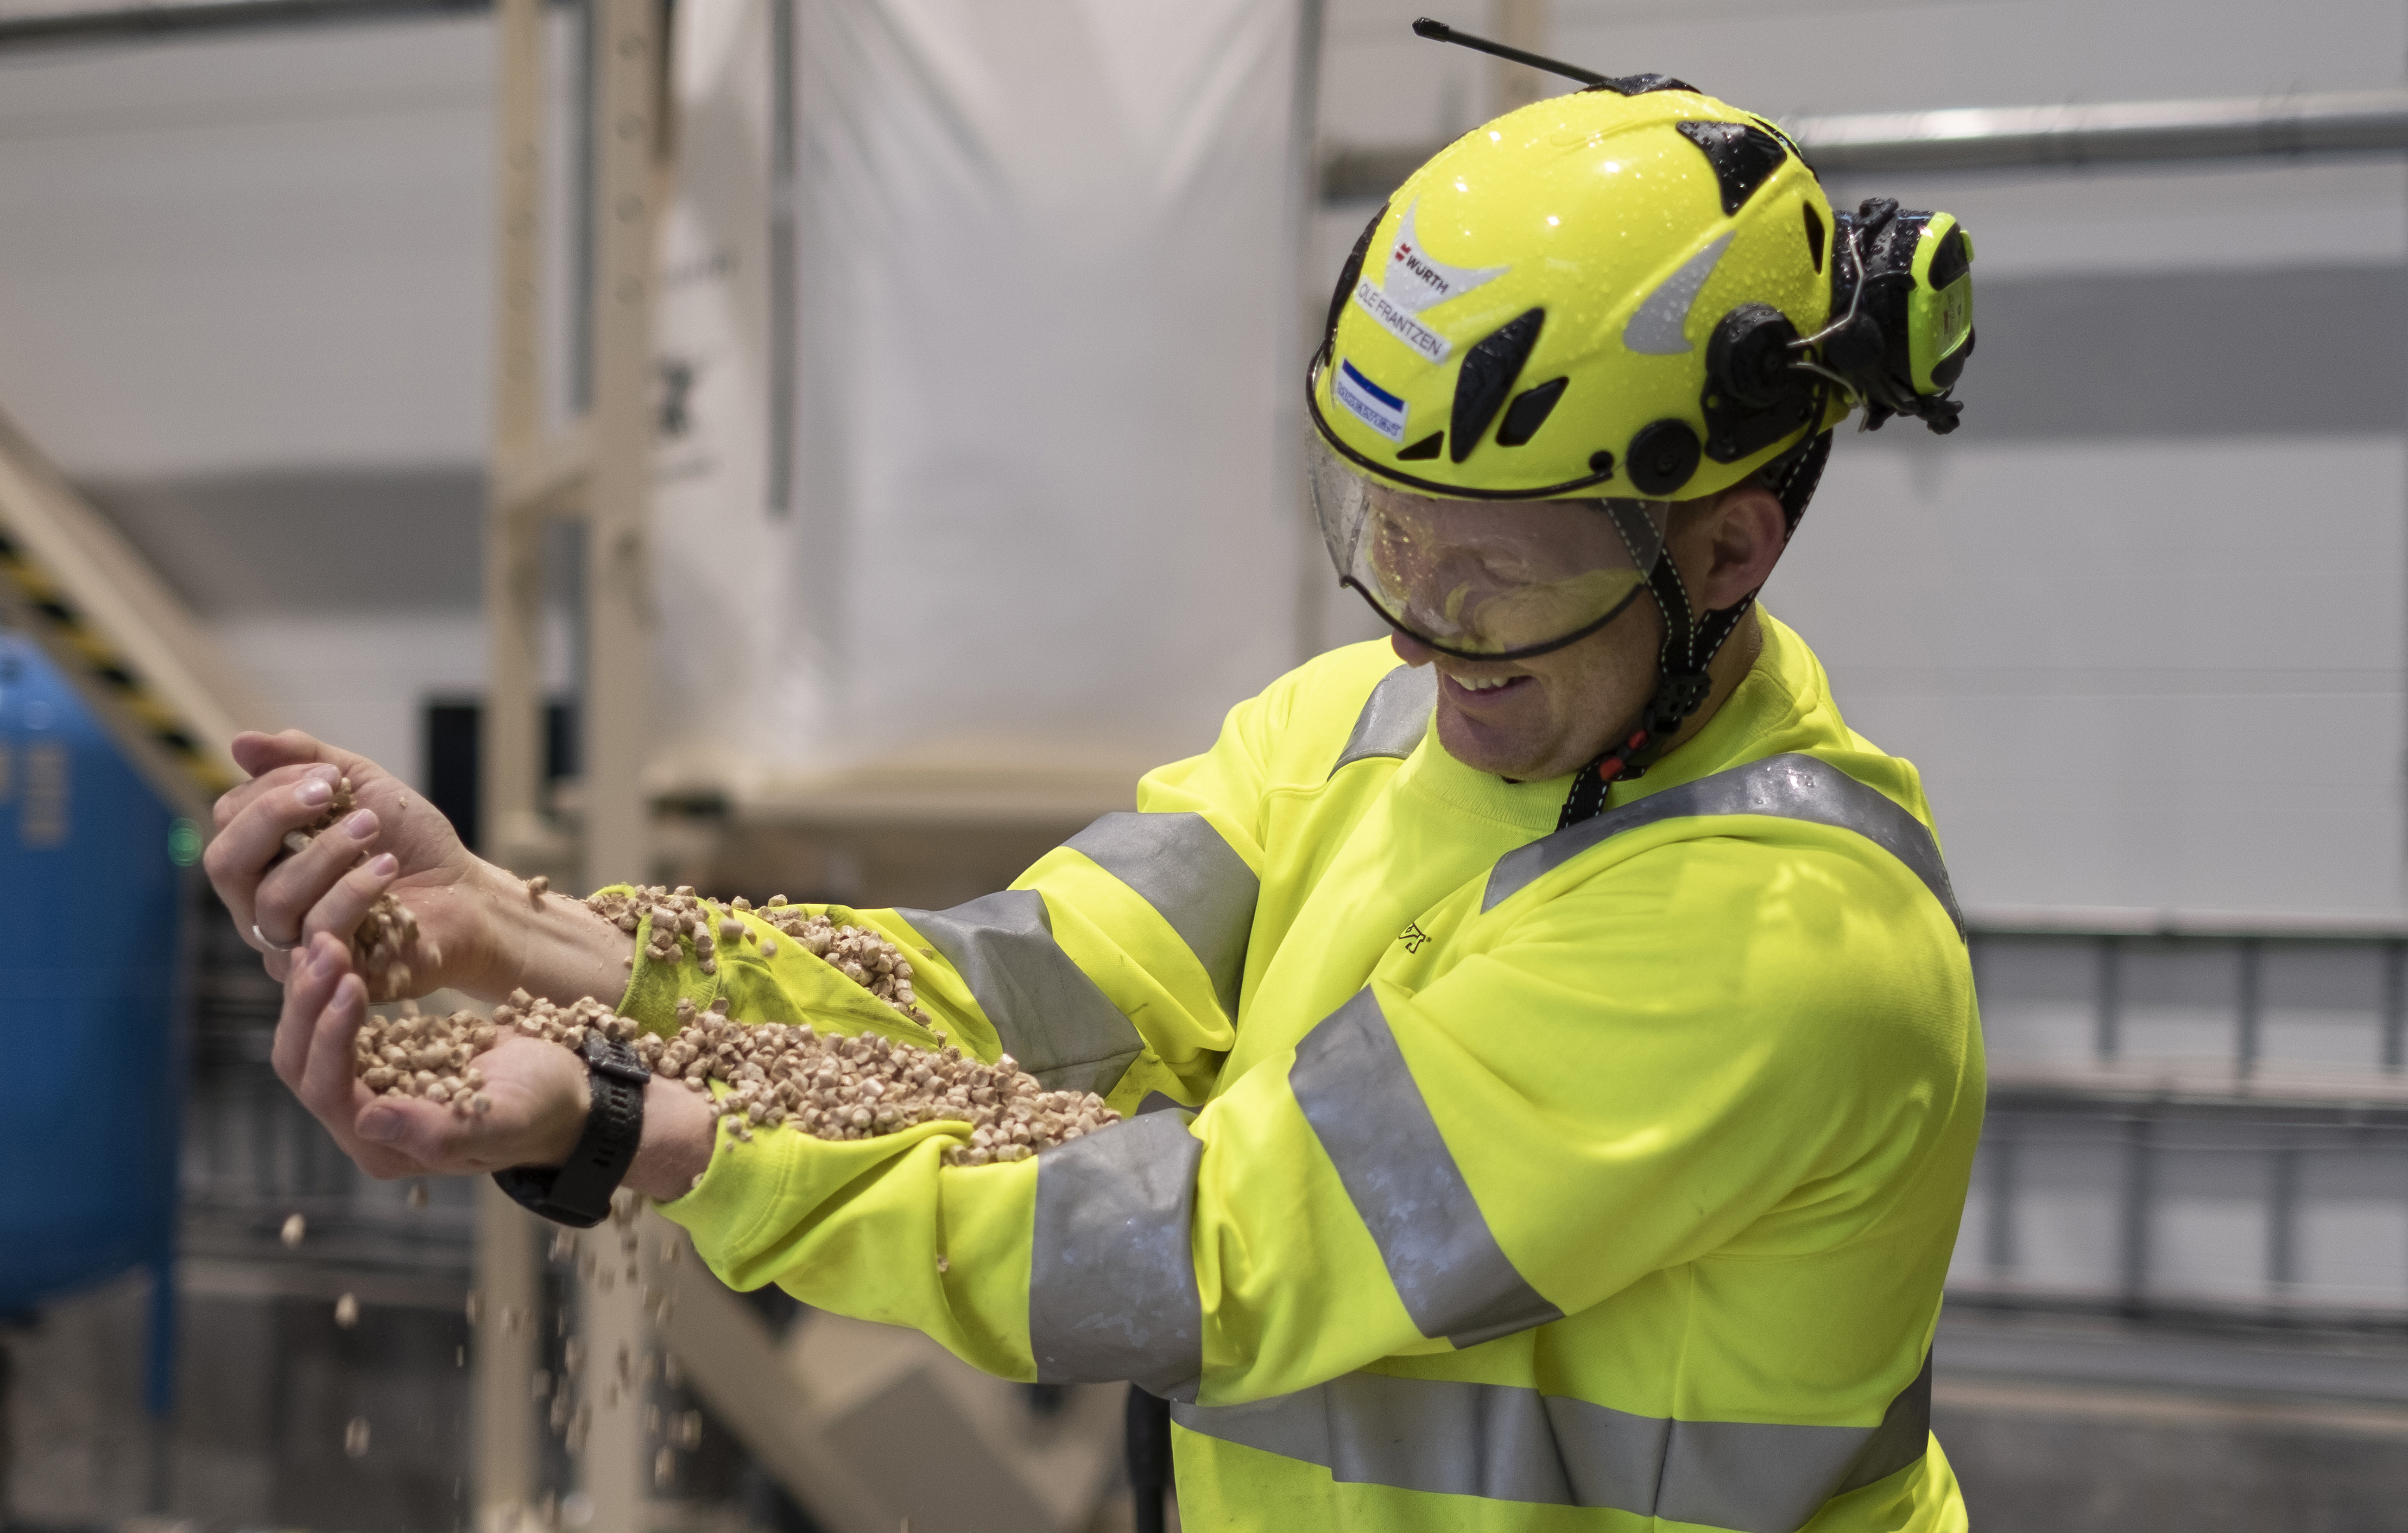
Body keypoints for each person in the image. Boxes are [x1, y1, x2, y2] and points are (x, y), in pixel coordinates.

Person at [208, 73, 1981, 1533]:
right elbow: (1013, 994)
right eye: (1392, 532)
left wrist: (622, 1130)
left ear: (1730, 547)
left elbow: (1207, 1256)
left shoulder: (1778, 940)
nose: (1428, 625)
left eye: (1500, 572)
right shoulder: (1362, 730)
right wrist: (520, 933)